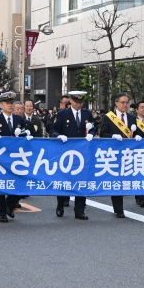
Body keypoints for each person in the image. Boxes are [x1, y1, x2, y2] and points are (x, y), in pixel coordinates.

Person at [0, 92, 32, 223]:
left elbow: (23, 137)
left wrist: (26, 135)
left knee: (16, 184)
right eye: (7, 103)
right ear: (1, 105)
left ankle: (9, 205)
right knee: (0, 185)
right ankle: (1, 212)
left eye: (12, 103)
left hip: (16, 158)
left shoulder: (19, 120)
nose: (10, 105)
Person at [50, 91, 96, 220]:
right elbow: (53, 129)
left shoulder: (87, 113)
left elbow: (92, 127)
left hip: (82, 152)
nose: (79, 105)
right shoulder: (63, 114)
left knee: (82, 180)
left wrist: (91, 132)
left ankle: (79, 210)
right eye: (76, 102)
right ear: (70, 100)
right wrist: (59, 136)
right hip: (65, 151)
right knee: (64, 179)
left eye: (81, 102)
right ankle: (60, 204)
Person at [100, 93, 144, 217]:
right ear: (116, 103)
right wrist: (112, 136)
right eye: (122, 102)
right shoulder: (109, 117)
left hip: (130, 154)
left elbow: (141, 132)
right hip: (115, 154)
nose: (125, 105)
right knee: (117, 180)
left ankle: (141, 198)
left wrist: (138, 136)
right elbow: (103, 133)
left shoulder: (132, 118)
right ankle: (119, 209)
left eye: (127, 102)